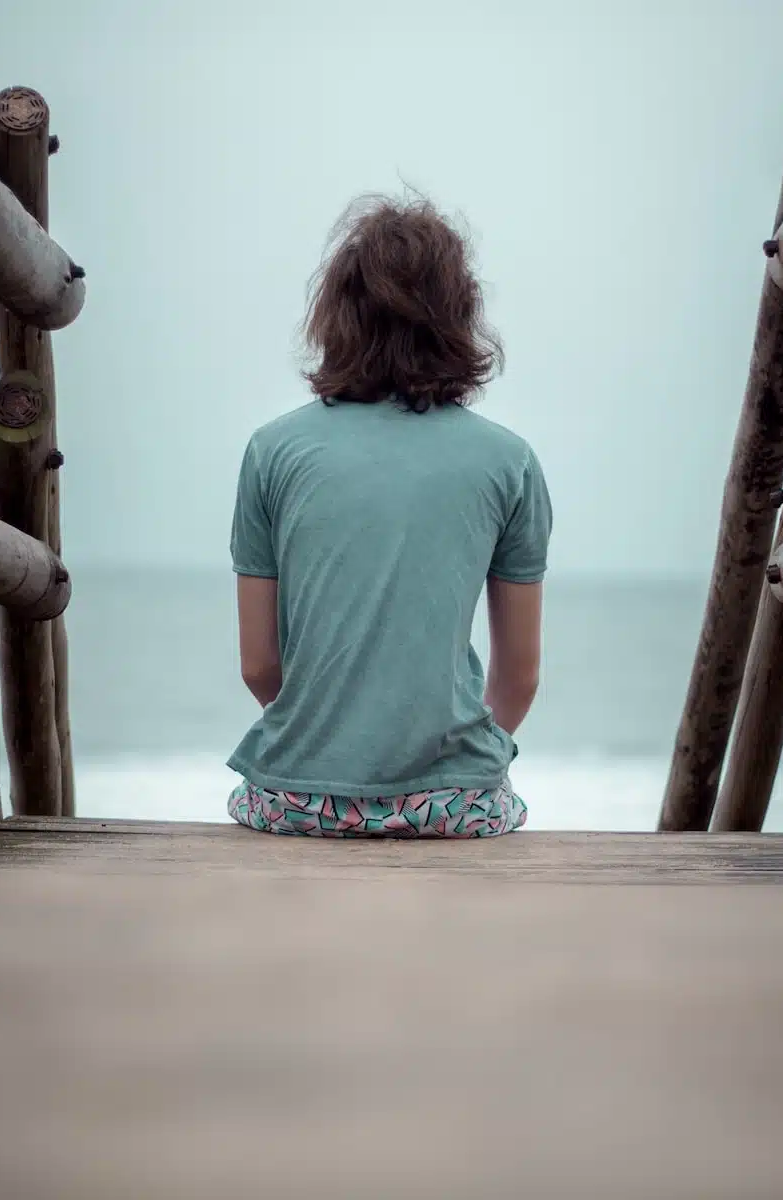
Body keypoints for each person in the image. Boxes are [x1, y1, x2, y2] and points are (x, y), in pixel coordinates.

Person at [227, 196, 552, 837]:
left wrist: (334, 745)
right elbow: (520, 675)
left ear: (337, 314)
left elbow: (258, 667)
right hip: (453, 805)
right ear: (458, 315)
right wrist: (460, 766)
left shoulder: (272, 450)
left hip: (294, 800)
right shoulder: (509, 461)